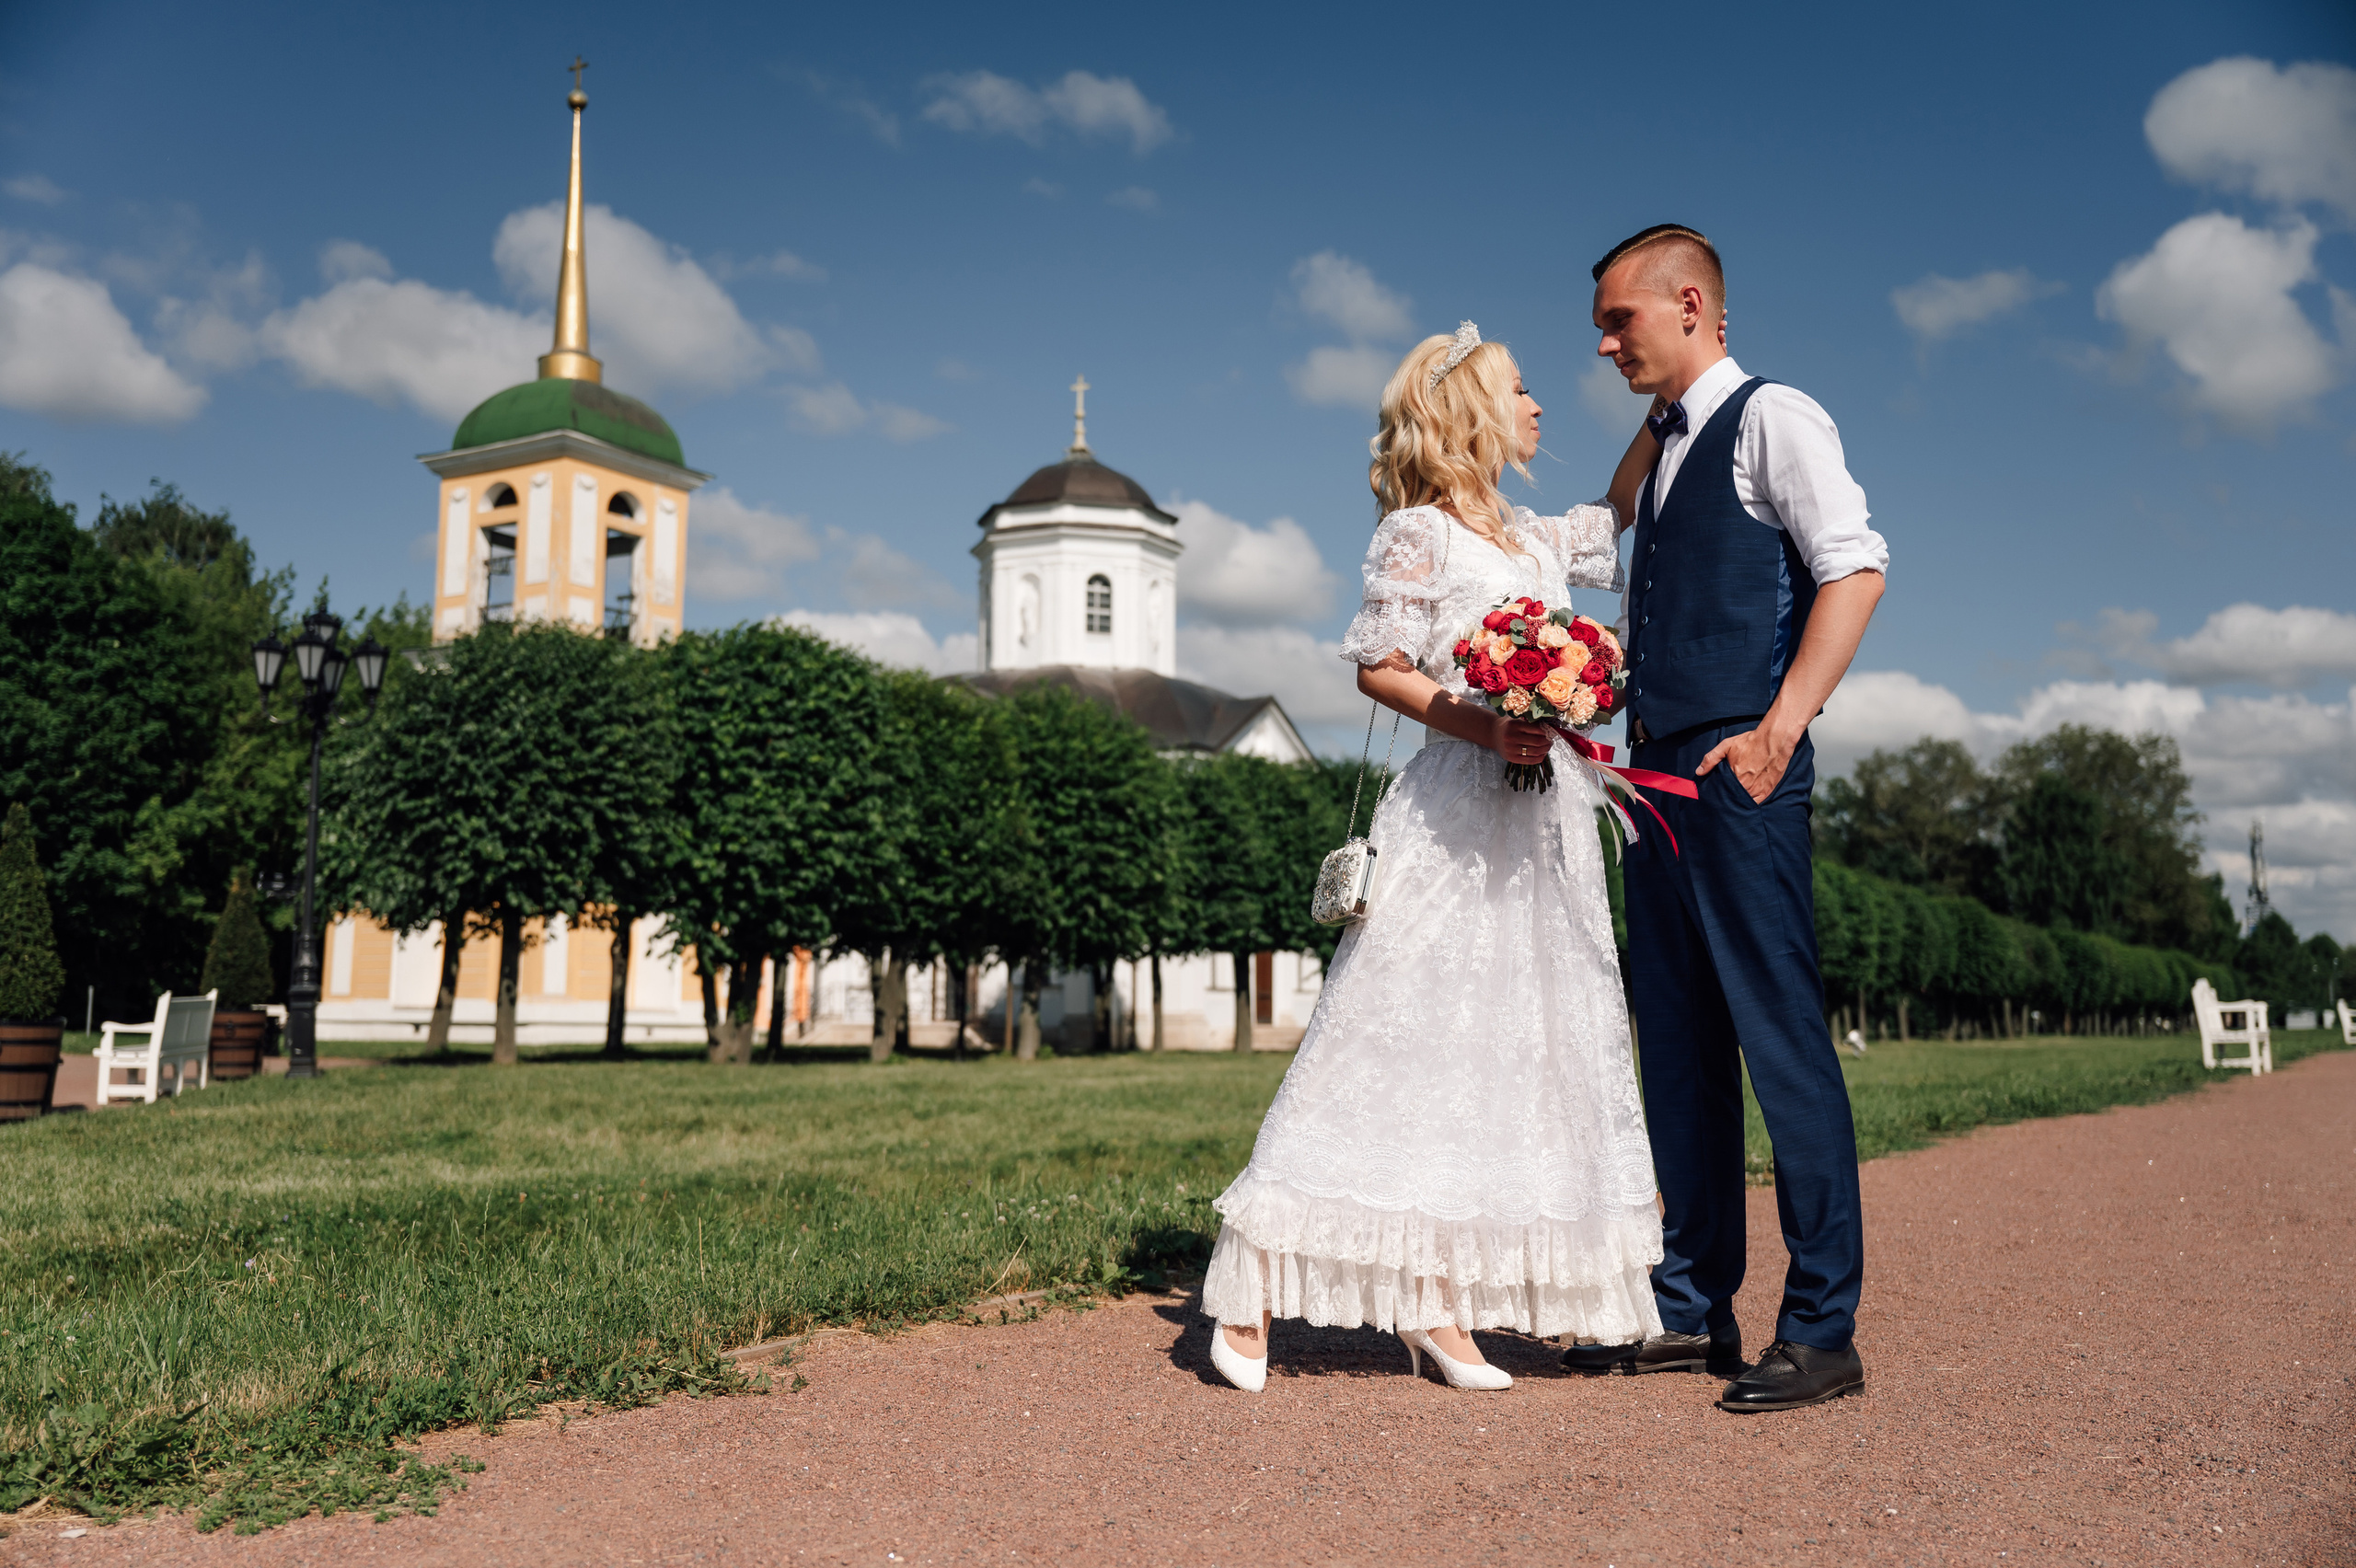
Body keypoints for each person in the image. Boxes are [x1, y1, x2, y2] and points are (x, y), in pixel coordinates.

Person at [1198, 324, 1666, 1393]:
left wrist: (1667, 402)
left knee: (1506, 1052)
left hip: (1544, 827)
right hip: (1457, 812)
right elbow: (1379, 666)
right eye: (1521, 388)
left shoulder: (1541, 541)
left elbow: (1620, 509)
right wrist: (1480, 723)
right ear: (1468, 411)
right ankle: (1248, 1283)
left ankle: (1435, 1305)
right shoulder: (1418, 534)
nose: (1539, 405)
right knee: (1387, 1033)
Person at [1565, 225, 1888, 1412]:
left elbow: (1854, 567)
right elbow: (1605, 543)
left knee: (1776, 1037)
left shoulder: (1774, 418)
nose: (1602, 344)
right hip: (1649, 777)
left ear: (1691, 303)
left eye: (1619, 321)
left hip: (1741, 767)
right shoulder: (1665, 441)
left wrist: (1780, 725)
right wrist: (1651, 427)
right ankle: (1691, 1307)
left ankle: (1822, 1327)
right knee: (1681, 1049)